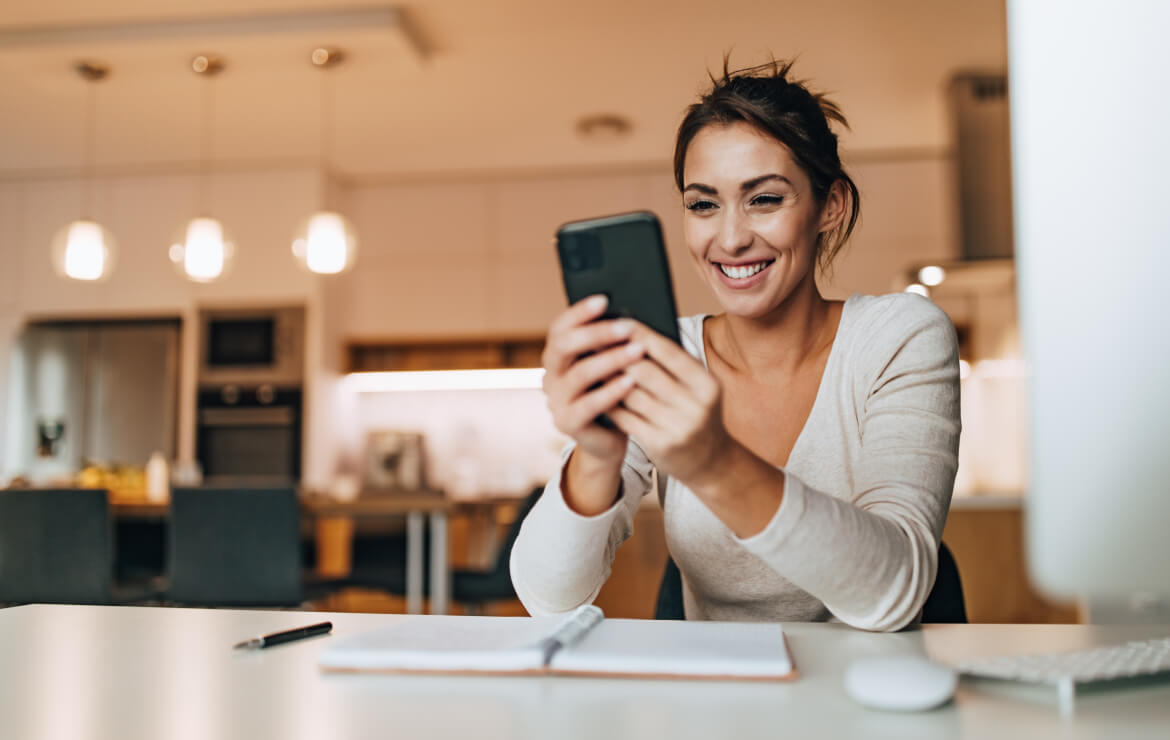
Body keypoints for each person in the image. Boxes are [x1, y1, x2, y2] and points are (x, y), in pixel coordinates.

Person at [510, 59, 960, 632]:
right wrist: (597, 454)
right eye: (703, 204)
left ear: (831, 206)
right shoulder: (662, 354)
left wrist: (713, 461)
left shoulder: (899, 336)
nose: (730, 238)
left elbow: (893, 594)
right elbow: (548, 600)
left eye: (765, 199)